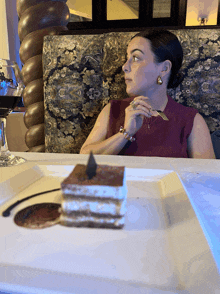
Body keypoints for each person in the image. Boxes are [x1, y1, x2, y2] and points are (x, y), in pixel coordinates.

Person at [80, 29, 216, 159]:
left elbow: (207, 178)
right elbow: (83, 158)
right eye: (127, 58)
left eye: (136, 57)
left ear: (164, 68)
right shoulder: (112, 110)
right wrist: (125, 133)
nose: (124, 66)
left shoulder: (190, 120)